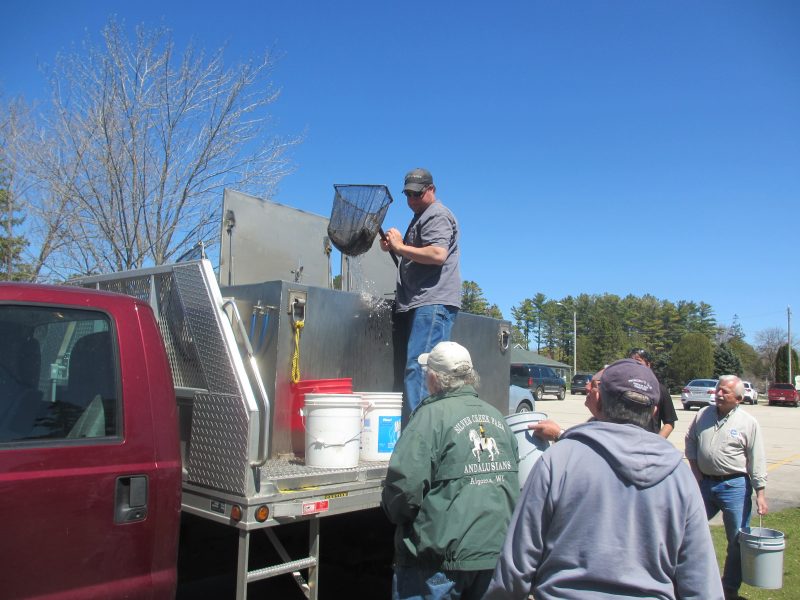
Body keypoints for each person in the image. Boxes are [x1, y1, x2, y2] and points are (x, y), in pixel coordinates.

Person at [485, 358, 724, 600]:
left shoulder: (559, 460)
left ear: (599, 400)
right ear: (653, 411)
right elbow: (701, 581)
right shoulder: (680, 476)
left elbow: (516, 565)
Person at [381, 341, 519, 600]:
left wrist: (392, 510)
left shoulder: (429, 417)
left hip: (439, 563)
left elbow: (404, 489)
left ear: (433, 377)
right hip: (493, 557)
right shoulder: (497, 418)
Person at [381, 168, 461, 415]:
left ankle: (420, 433)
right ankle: (422, 430)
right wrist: (394, 247)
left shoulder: (436, 214)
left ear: (431, 190)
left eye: (417, 194)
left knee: (421, 367)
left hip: (433, 302)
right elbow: (416, 253)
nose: (412, 200)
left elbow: (437, 254)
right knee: (422, 367)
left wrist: (401, 246)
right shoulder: (421, 216)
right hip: (421, 303)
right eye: (408, 195)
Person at [685, 374, 768, 600]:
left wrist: (760, 492)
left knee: (737, 538)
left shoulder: (748, 423)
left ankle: (729, 588)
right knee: (687, 528)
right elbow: (690, 440)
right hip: (705, 484)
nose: (719, 394)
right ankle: (690, 580)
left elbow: (756, 457)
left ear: (738, 399)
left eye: (725, 392)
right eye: (718, 389)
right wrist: (695, 470)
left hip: (735, 486)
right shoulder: (702, 414)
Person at [528, 366, 604, 442]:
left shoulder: (604, 429)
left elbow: (585, 448)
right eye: (589, 382)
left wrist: (558, 434)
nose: (587, 387)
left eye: (593, 384)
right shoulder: (597, 422)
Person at [628, 348, 678, 438]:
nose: (634, 364)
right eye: (631, 361)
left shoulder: (660, 390)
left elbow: (669, 423)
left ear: (648, 365)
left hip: (649, 445)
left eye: (638, 361)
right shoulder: (622, 387)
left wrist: (657, 442)